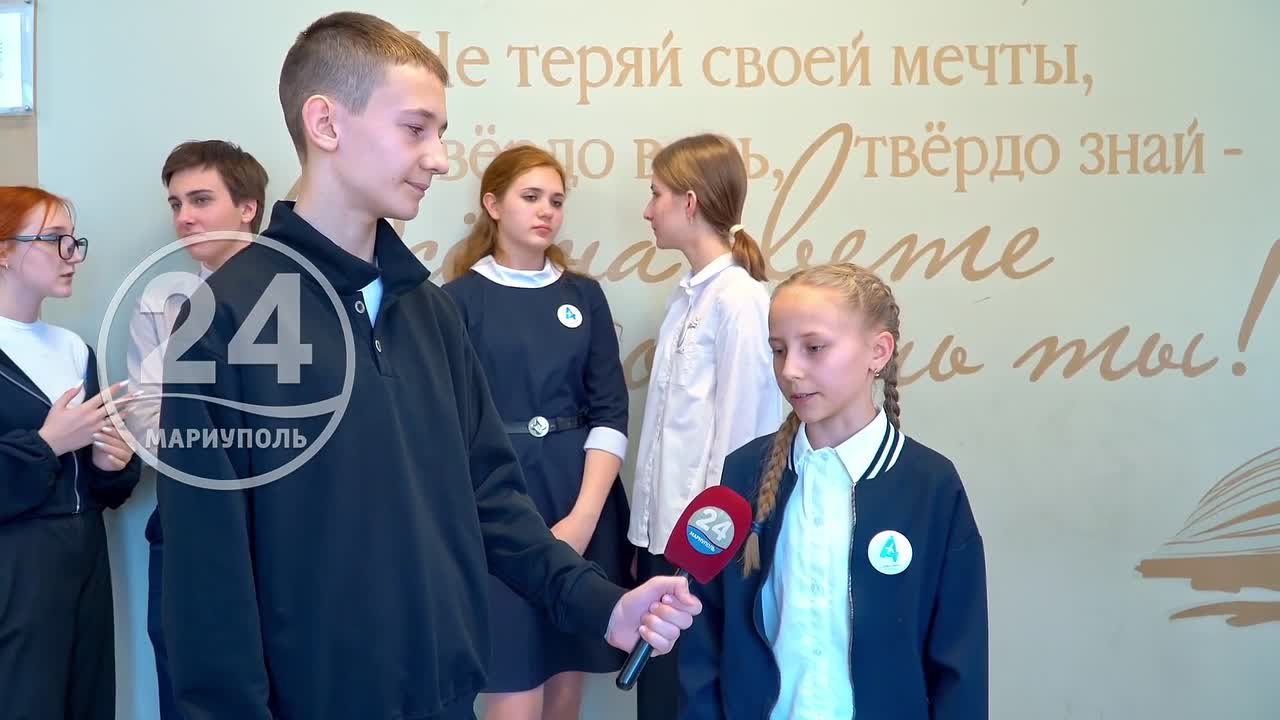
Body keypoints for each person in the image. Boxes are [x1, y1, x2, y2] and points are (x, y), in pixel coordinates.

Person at [155, 13, 700, 720]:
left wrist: (602, 604)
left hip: (444, 699)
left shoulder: (430, 314)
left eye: (439, 133)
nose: (439, 159)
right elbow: (207, 579)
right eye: (416, 129)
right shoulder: (226, 318)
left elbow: (493, 502)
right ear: (325, 123)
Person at [678, 263, 988, 719]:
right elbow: (705, 636)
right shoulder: (742, 473)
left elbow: (960, 661)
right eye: (778, 350)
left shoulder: (931, 485)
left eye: (814, 347)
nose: (790, 370)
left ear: (878, 352)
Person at [443, 144, 634, 720]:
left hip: (579, 497)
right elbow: (448, 421)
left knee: (565, 684)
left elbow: (610, 411)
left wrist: (583, 519)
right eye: (531, 197)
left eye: (555, 200)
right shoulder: (455, 301)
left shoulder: (583, 296)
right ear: (493, 204)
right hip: (497, 506)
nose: (546, 210)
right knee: (513, 684)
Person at [627, 133, 783, 719]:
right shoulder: (686, 299)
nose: (648, 210)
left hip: (700, 550)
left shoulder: (740, 300)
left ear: (689, 202)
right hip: (665, 541)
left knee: (687, 699)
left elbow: (746, 438)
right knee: (658, 700)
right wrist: (644, 537)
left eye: (656, 194)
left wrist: (704, 553)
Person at [124, 139, 268, 720]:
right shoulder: (161, 305)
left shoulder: (302, 300)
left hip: (283, 534)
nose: (184, 217)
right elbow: (149, 424)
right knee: (190, 691)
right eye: (176, 203)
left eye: (201, 200)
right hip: (187, 527)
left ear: (248, 208)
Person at [0, 185, 142, 720]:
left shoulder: (74, 349)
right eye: (54, 239)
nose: (73, 255)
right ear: (3, 251)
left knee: (89, 701)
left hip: (86, 560)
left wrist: (114, 465)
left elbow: (101, 483)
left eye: (73, 240)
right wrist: (47, 445)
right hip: (15, 568)